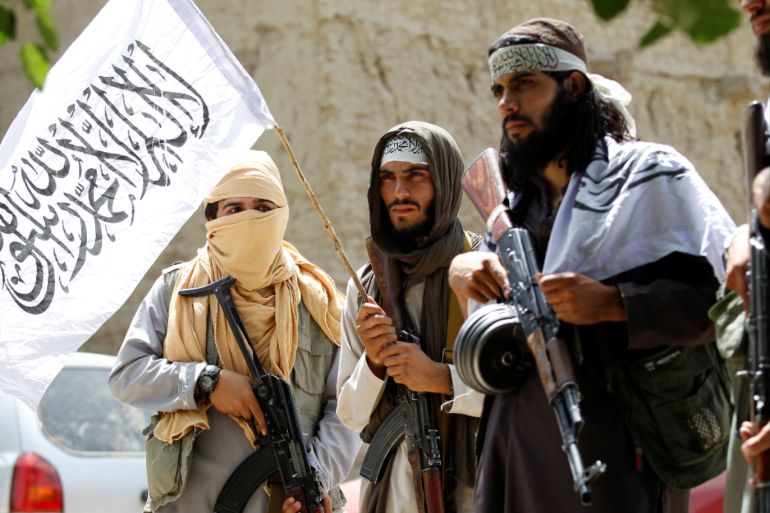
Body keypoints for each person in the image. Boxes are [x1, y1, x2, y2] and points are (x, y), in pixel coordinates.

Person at [447, 18, 735, 513]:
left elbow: (726, 300)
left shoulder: (650, 176)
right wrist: (465, 272)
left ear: (574, 87)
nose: (506, 103)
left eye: (524, 84)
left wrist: (616, 304)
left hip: (619, 450)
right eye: (499, 90)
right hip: (517, 442)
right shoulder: (515, 206)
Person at [109, 150, 359, 513]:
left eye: (262, 207)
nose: (249, 219)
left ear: (281, 214)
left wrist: (317, 477)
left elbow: (347, 407)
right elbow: (127, 376)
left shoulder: (318, 302)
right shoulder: (176, 290)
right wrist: (205, 382)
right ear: (212, 219)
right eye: (234, 208)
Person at [336, 120, 484, 513]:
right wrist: (374, 362)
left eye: (415, 175)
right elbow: (350, 415)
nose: (399, 192)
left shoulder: (483, 270)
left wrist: (441, 378)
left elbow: (523, 391)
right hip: (390, 494)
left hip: (475, 489)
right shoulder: (368, 285)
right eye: (388, 178)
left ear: (445, 182)